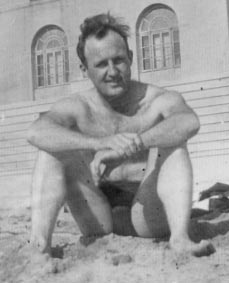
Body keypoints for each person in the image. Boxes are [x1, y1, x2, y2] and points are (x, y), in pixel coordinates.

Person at [27, 13, 215, 261]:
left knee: (174, 142)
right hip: (98, 218)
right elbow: (36, 132)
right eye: (101, 64)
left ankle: (179, 238)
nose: (113, 71)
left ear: (131, 59)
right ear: (85, 69)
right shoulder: (78, 107)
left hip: (149, 215)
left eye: (119, 60)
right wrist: (100, 143)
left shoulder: (157, 100)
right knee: (50, 149)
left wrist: (133, 144)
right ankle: (39, 247)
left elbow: (189, 122)